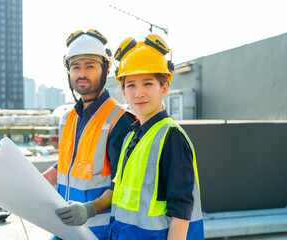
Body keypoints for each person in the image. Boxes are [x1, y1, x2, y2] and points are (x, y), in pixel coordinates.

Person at [108, 34, 204, 239]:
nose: (139, 93)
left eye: (148, 83)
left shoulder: (171, 137)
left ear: (164, 89)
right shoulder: (131, 138)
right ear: (123, 92)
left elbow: (181, 211)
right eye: (131, 84)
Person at [42, 29, 135, 240]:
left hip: (98, 232)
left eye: (90, 66)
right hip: (65, 228)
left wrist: (88, 209)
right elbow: (69, 165)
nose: (82, 74)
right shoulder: (68, 118)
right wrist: (34, 181)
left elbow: (122, 185)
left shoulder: (120, 121)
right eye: (76, 67)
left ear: (105, 68)